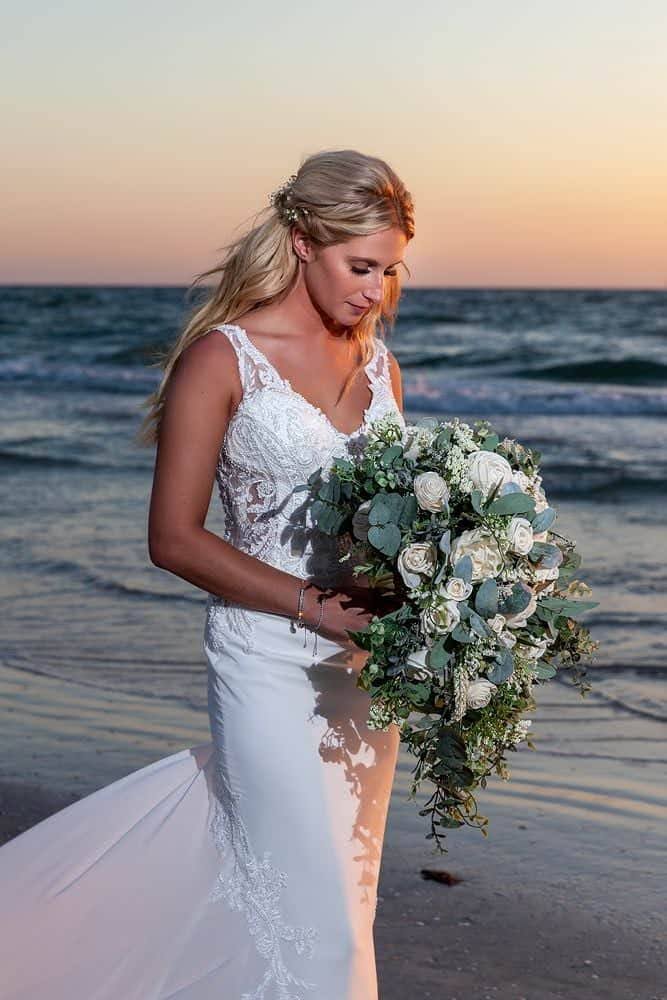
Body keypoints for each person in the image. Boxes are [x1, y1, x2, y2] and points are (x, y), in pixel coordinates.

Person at [0, 148, 415, 1000]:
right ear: (303, 242)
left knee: (337, 906)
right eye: (360, 265)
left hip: (364, 678)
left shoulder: (379, 368)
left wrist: (436, 593)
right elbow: (174, 539)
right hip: (263, 659)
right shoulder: (222, 360)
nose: (375, 289)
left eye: (391, 269)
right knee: (322, 942)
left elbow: (389, 523)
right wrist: (310, 605)